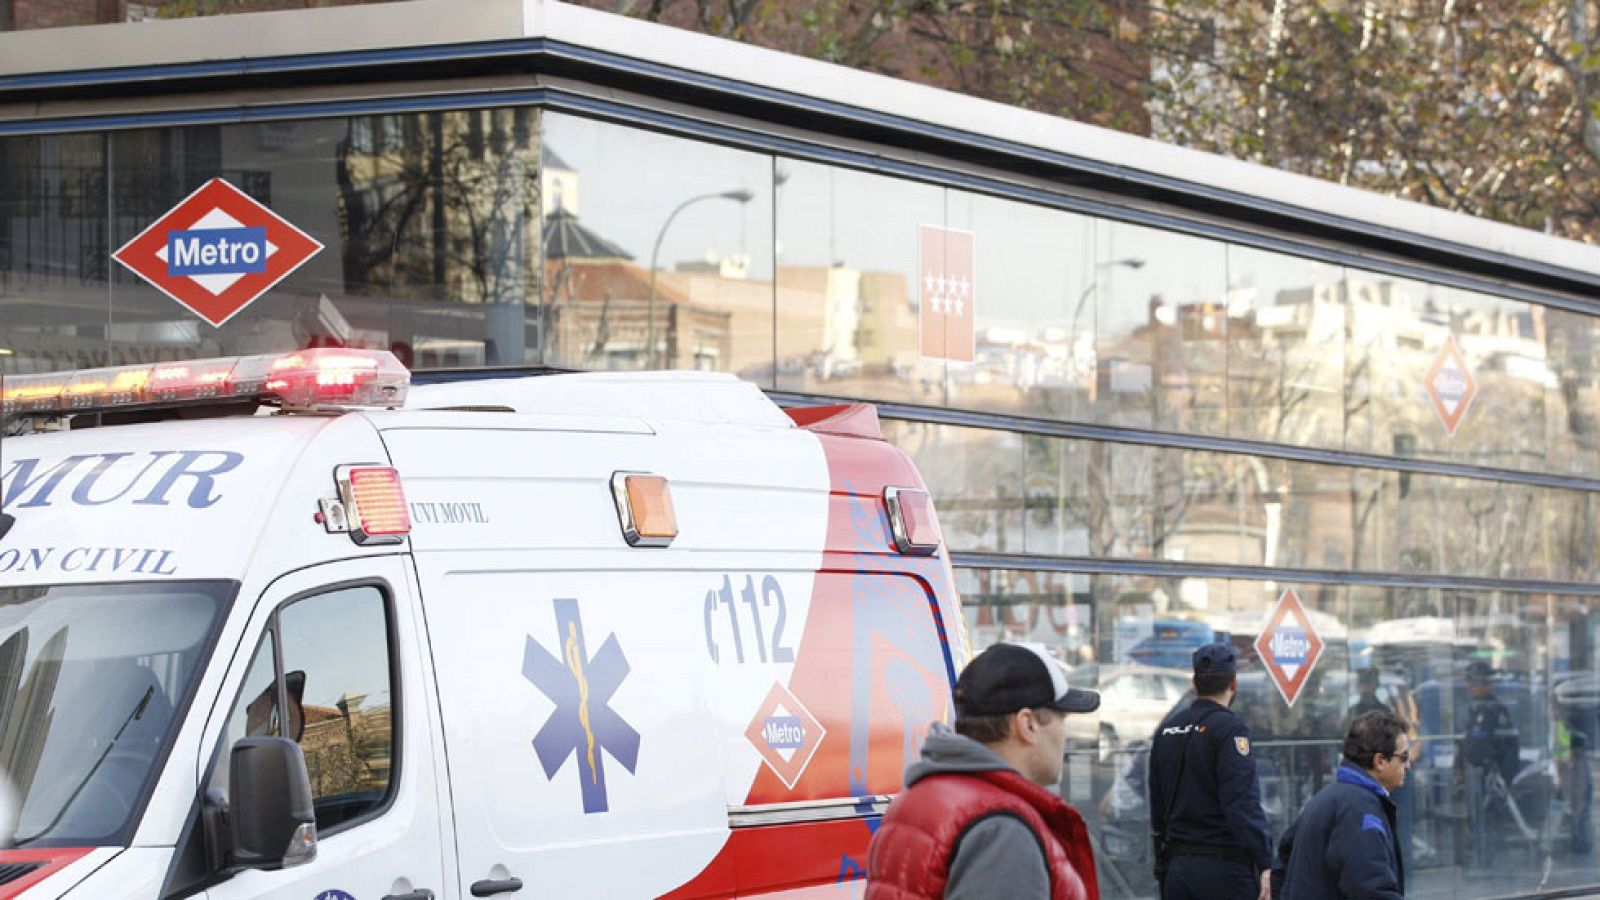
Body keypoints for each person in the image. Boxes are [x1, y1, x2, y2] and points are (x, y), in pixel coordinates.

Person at [866, 642, 1101, 900]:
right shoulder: (1002, 833)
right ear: (1028, 724)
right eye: (1062, 719)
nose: (1065, 734)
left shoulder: (917, 797)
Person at [1147, 642, 1272, 900]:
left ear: (1194, 683)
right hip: (1223, 871)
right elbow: (1241, 804)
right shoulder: (1230, 730)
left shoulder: (1167, 730)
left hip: (1177, 869)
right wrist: (1264, 861)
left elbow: (1157, 806)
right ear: (1233, 684)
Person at [1271, 709, 1409, 900]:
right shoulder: (1360, 810)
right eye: (1403, 757)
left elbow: (1281, 865)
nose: (1408, 765)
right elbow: (1369, 889)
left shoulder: (1330, 797)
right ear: (1380, 761)